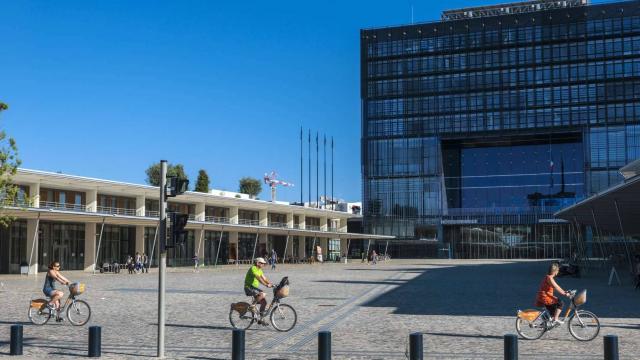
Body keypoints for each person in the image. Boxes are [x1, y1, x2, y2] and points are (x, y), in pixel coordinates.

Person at [535, 262, 571, 326]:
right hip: (544, 297)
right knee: (560, 303)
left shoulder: (548, 277)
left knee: (553, 310)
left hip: (545, 296)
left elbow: (557, 287)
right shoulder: (549, 278)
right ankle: (556, 319)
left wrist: (565, 292)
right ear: (555, 271)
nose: (558, 272)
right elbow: (556, 287)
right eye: (558, 270)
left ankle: (545, 323)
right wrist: (564, 293)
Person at [244, 257, 273, 325]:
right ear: (257, 263)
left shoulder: (259, 270)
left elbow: (264, 278)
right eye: (262, 263)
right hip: (248, 287)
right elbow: (258, 278)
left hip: (254, 288)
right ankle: (252, 305)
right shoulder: (253, 268)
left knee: (264, 303)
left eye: (264, 263)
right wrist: (266, 285)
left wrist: (270, 284)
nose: (263, 264)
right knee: (262, 294)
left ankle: (261, 319)